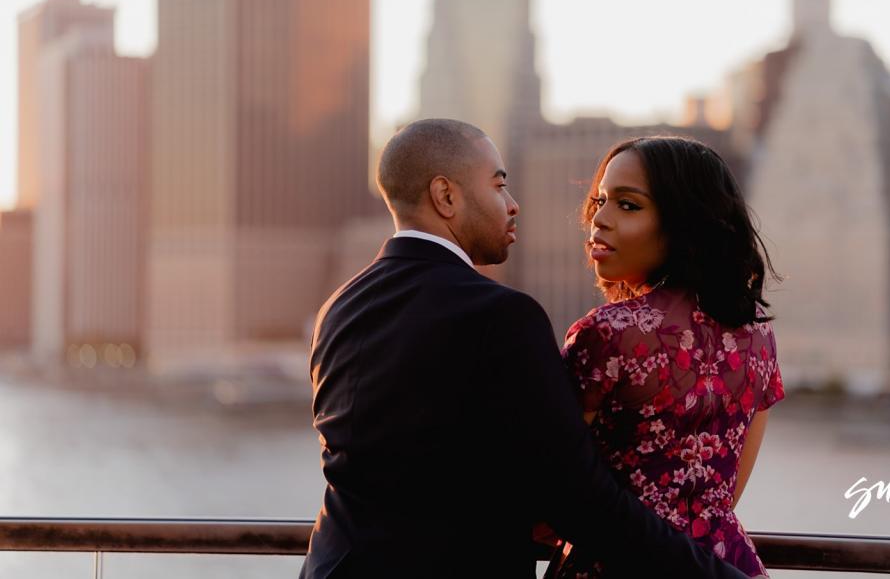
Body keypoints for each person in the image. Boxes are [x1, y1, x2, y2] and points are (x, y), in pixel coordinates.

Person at [298, 119, 749, 579]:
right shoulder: (502, 316)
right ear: (446, 196)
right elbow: (581, 500)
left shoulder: (337, 309)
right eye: (499, 186)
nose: (513, 206)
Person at [552, 137, 785, 579]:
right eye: (600, 201)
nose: (598, 219)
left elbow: (557, 488)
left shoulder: (606, 334)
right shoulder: (757, 331)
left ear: (683, 222)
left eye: (628, 205)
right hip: (725, 564)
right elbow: (727, 494)